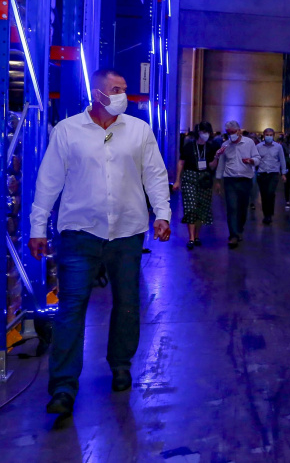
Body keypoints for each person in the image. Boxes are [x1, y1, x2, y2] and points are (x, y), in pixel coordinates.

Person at [28, 68, 171, 416]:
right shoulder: (68, 131)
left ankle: (120, 363)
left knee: (127, 302)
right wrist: (37, 226)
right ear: (98, 93)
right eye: (116, 88)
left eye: (124, 89)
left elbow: (154, 173)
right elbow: (49, 180)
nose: (124, 94)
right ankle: (63, 386)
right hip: (79, 233)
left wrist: (163, 212)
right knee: (72, 308)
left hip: (127, 232)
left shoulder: (139, 131)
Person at [173, 121, 218, 249]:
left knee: (201, 208)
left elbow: (211, 166)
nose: (206, 135)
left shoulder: (211, 147)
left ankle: (197, 235)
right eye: (203, 132)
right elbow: (181, 163)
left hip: (204, 178)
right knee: (191, 207)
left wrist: (216, 158)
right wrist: (177, 180)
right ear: (198, 132)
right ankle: (191, 238)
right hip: (189, 177)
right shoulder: (188, 146)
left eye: (208, 132)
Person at [215, 120, 260, 248]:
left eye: (233, 132)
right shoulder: (225, 145)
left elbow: (258, 158)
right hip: (230, 180)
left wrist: (251, 160)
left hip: (245, 179)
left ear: (239, 131)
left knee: (242, 207)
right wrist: (218, 181)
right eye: (228, 133)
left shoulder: (249, 143)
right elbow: (221, 164)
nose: (231, 135)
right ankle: (233, 235)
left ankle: (239, 229)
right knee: (232, 207)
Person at [255, 128, 287, 224]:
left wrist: (283, 173)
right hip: (262, 173)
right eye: (267, 134)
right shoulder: (258, 147)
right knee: (264, 194)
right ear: (264, 136)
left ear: (273, 136)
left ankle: (269, 214)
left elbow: (282, 160)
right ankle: (266, 214)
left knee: (271, 193)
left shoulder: (278, 147)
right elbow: (255, 159)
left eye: (270, 134)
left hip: (273, 173)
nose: (268, 136)